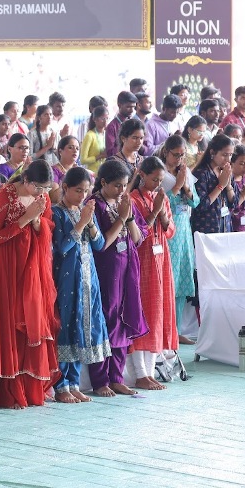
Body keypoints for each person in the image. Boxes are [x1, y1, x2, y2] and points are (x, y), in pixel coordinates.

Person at [0, 160, 58, 409]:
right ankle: (8, 391)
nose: (41, 193)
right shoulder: (5, 196)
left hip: (31, 267)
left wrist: (37, 222)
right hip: (5, 266)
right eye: (38, 187)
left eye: (46, 189)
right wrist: (26, 219)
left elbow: (48, 226)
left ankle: (28, 386)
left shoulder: (41, 197)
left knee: (31, 321)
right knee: (9, 322)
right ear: (25, 180)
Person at [86, 160, 148, 397]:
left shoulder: (124, 203)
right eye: (117, 185)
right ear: (103, 183)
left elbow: (138, 238)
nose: (122, 190)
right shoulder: (94, 206)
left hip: (127, 269)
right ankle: (100, 379)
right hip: (106, 270)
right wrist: (121, 218)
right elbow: (101, 245)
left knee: (124, 318)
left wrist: (129, 217)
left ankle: (117, 377)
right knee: (105, 319)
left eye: (124, 185)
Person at [51, 167, 110, 403]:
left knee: (81, 328)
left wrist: (91, 224)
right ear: (65, 188)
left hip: (88, 278)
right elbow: (60, 249)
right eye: (78, 191)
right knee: (66, 325)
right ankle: (60, 385)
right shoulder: (57, 213)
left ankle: (74, 382)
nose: (82, 196)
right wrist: (80, 224)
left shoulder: (86, 211)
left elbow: (99, 245)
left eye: (86, 191)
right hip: (67, 280)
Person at [129, 157, 177, 391]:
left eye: (161, 180)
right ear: (142, 175)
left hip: (161, 260)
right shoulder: (133, 199)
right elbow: (139, 233)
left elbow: (169, 231)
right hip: (143, 260)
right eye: (154, 179)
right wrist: (155, 209)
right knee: (144, 314)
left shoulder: (162, 196)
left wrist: (162, 212)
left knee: (158, 314)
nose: (158, 184)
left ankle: (149, 372)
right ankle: (139, 373)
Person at [157, 135, 200, 345]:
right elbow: (162, 207)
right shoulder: (161, 175)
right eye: (176, 155)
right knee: (169, 282)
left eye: (183, 155)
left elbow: (196, 203)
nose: (179, 159)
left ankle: (177, 329)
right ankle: (165, 331)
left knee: (183, 282)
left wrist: (187, 188)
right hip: (168, 234)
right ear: (166, 152)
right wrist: (177, 186)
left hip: (184, 232)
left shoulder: (186, 172)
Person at [191, 134, 235, 234]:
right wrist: (220, 186)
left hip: (225, 226)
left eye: (231, 155)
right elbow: (200, 206)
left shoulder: (225, 170)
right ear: (212, 152)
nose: (228, 159)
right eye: (224, 155)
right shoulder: (201, 173)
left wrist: (228, 186)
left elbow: (234, 203)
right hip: (206, 228)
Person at [220, 86, 245, 170]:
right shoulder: (229, 120)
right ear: (236, 100)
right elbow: (227, 147)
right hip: (237, 167)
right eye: (243, 98)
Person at [110, 119, 146, 189]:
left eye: (141, 138)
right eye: (135, 138)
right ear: (123, 138)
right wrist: (134, 177)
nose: (139, 142)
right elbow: (115, 193)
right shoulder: (114, 162)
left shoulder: (142, 160)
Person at [105, 91, 138, 157]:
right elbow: (110, 152)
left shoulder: (135, 123)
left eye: (133, 107)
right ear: (119, 105)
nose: (132, 110)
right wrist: (128, 145)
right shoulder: (112, 126)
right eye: (128, 107)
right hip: (118, 164)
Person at [80, 106, 108, 173]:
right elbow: (83, 160)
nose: (105, 121)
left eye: (107, 118)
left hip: (105, 171)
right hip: (92, 173)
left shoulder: (107, 134)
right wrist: (100, 156)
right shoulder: (90, 135)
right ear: (95, 119)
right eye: (102, 119)